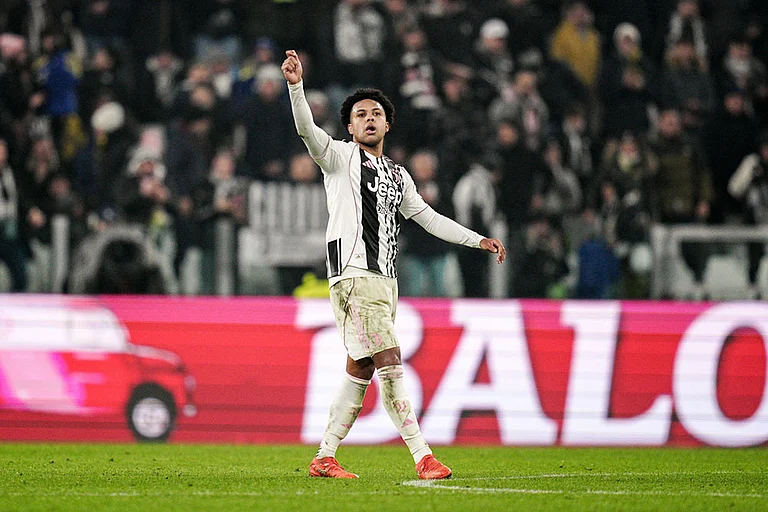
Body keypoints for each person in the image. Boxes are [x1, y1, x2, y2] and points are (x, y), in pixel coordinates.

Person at [281, 50, 506, 480]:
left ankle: (324, 455)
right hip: (354, 276)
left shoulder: (398, 175)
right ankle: (424, 456)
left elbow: (429, 219)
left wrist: (476, 239)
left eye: (376, 114)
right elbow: (307, 131)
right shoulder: (339, 158)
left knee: (361, 366)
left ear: (387, 124)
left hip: (384, 282)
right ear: (349, 127)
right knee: (389, 358)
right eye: (360, 114)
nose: (368, 119)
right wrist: (296, 87)